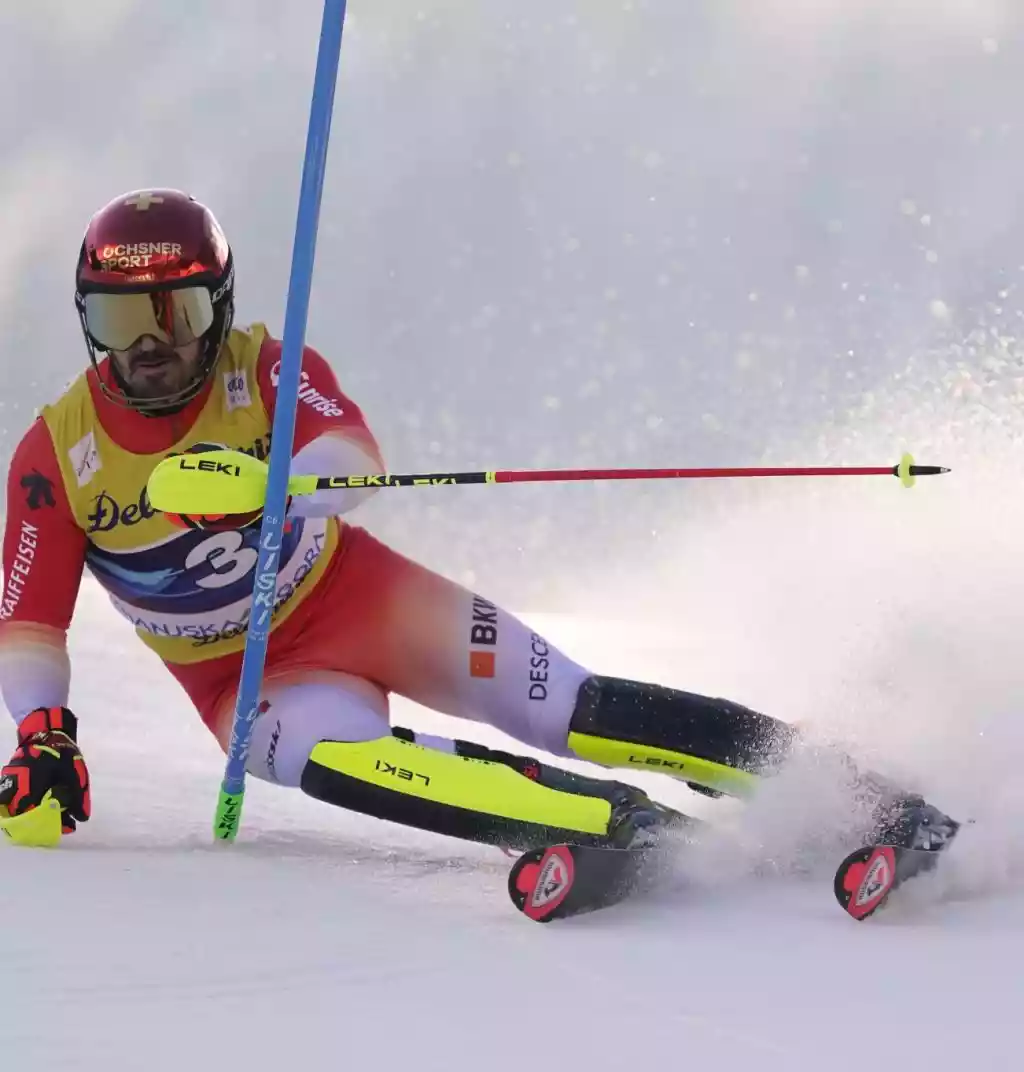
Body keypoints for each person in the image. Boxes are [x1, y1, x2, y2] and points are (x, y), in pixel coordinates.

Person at [0, 189, 957, 861]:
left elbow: (351, 455)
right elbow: (27, 624)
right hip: (244, 678)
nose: (151, 345)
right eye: (120, 321)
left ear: (220, 309)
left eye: (176, 313)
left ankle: (848, 794)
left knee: (569, 706)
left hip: (361, 598)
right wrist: (45, 734)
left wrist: (274, 485)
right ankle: (616, 826)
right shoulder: (57, 452)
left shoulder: (264, 367)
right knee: (340, 764)